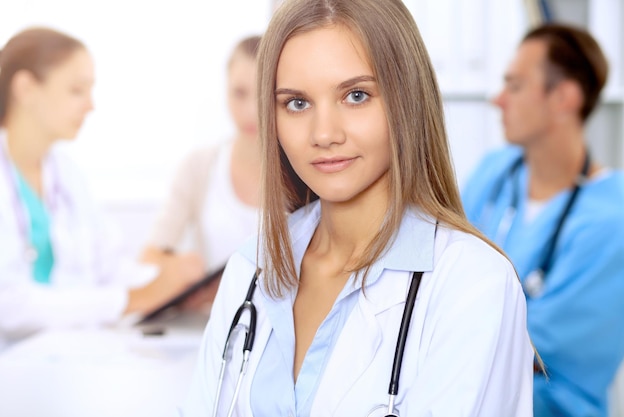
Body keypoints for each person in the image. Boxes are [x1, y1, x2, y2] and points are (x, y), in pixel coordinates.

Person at [179, 0, 534, 416]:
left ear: (407, 99)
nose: (324, 133)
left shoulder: (472, 284)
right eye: (296, 103)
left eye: (356, 95)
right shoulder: (251, 268)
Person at [0, 27, 204, 349]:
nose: (90, 105)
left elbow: (108, 265)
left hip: (65, 356)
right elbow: (10, 306)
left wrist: (175, 285)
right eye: (76, 90)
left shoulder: (67, 175)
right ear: (26, 88)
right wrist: (131, 299)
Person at [462, 22, 624, 417]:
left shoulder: (613, 218)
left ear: (563, 98)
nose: (498, 100)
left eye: (515, 86)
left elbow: (539, 355)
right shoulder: (494, 173)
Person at [141, 35, 262, 310]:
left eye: (264, 95)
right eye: (239, 93)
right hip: (212, 326)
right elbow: (150, 257)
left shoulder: (304, 172)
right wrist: (180, 271)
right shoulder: (199, 167)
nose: (250, 111)